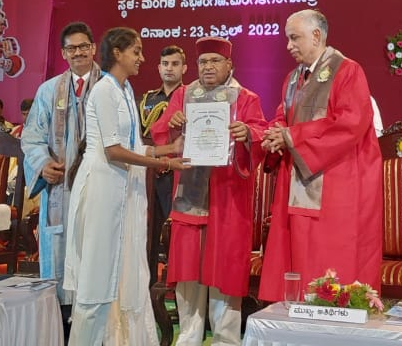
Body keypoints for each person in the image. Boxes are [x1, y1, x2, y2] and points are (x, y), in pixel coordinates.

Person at [62, 27, 190, 346]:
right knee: (98, 275)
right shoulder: (104, 90)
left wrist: (170, 149)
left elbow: (132, 145)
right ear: (117, 53)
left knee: (120, 272)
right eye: (136, 51)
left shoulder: (125, 89)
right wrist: (165, 163)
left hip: (121, 189)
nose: (142, 58)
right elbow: (113, 151)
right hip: (101, 188)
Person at [258, 9, 383, 300]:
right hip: (298, 179)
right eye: (287, 39)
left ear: (316, 36)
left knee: (330, 257)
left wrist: (291, 136)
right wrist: (274, 135)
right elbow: (283, 116)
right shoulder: (293, 78)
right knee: (297, 254)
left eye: (294, 38)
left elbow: (350, 123)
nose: (288, 46)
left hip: (336, 181)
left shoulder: (347, 71)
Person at [149, 37, 265, 346]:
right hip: (190, 197)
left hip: (228, 202)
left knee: (224, 273)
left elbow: (261, 134)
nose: (208, 67)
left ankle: (226, 340)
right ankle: (188, 339)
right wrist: (173, 124)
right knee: (188, 274)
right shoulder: (184, 95)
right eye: (203, 62)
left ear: (229, 64)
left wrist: (247, 133)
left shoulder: (245, 98)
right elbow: (161, 132)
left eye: (215, 61)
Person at [22, 21, 103, 321]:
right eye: (72, 48)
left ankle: (93, 317)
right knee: (60, 250)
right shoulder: (48, 90)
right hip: (61, 187)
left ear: (93, 48)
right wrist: (43, 164)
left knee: (94, 248)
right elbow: (32, 137)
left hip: (98, 186)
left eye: (83, 46)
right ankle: (59, 319)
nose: (78, 53)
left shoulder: (109, 86)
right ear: (63, 53)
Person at [138, 44, 187, 238]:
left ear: (184, 68)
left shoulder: (190, 97)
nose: (169, 68)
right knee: (147, 225)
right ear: (159, 68)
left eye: (175, 64)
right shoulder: (147, 99)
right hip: (149, 169)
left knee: (173, 226)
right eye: (165, 64)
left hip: (175, 170)